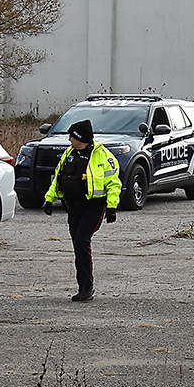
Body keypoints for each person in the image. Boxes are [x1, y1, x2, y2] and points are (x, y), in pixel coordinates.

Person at [42, 120, 122, 302]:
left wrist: (111, 207)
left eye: (72, 136)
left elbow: (114, 183)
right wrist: (49, 199)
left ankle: (87, 287)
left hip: (93, 206)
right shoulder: (69, 154)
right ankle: (82, 286)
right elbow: (58, 178)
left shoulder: (102, 156)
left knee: (81, 241)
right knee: (78, 245)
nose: (69, 139)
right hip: (73, 206)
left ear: (81, 138)